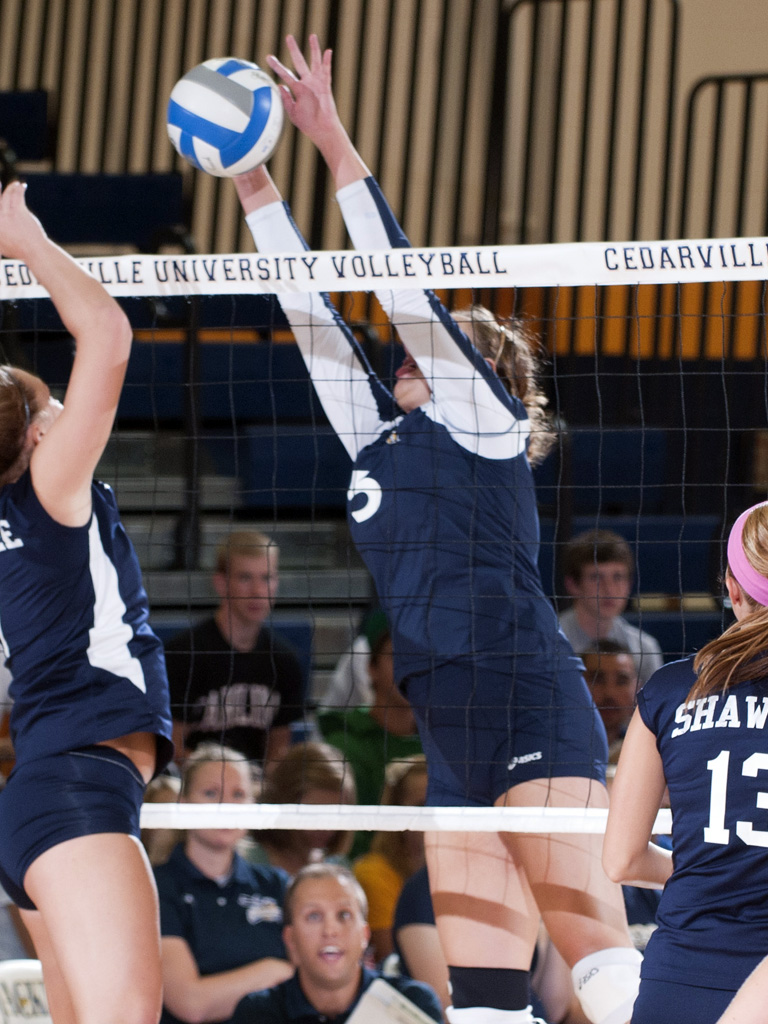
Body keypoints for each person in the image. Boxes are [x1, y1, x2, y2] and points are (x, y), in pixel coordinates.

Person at [228, 35, 638, 1024]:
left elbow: (402, 290)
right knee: (486, 998)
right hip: (446, 726)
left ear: (487, 374)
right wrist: (251, 181)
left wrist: (332, 143)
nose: (418, 347)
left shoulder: (490, 428)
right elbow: (310, 313)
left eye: (450, 341)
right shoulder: (379, 442)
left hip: (528, 698)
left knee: (599, 961)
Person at [0, 180, 174, 1024]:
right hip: (74, 786)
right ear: (37, 435)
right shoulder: (50, 487)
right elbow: (106, 333)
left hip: (49, 787)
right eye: (51, 405)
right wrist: (27, 239)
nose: (69, 415)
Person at [603, 500, 768, 1024]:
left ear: (731, 588)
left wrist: (711, 869)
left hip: (681, 973)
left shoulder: (671, 690)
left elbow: (621, 860)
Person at [154, 743, 294, 1024]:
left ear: (253, 805)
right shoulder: (157, 886)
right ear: (184, 804)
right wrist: (275, 971)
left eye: (238, 794)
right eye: (210, 793)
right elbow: (191, 1004)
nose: (225, 806)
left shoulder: (275, 885)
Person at [231, 862, 443, 1024]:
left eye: (344, 915)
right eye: (313, 916)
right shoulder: (257, 1013)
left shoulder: (413, 1002)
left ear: (364, 934)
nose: (330, 931)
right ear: (290, 938)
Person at [164, 529, 305, 770]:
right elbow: (171, 747)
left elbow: (278, 754)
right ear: (221, 583)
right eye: (245, 578)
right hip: (192, 790)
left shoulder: (284, 661)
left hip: (255, 795)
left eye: (266, 578)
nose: (258, 592)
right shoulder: (184, 655)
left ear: (277, 583)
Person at [318, 631, 423, 810]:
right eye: (396, 657)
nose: (408, 669)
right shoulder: (344, 745)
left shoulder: (444, 743)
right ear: (371, 668)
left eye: (417, 659)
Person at [559, 530, 663, 686]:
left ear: (630, 584)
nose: (609, 589)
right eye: (596, 577)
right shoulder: (548, 643)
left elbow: (655, 709)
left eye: (618, 577)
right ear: (572, 584)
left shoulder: (645, 648)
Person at [352, 756, 428, 963]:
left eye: (441, 803)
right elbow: (392, 958)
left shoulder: (461, 870)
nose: (434, 814)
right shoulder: (373, 872)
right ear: (398, 810)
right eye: (422, 805)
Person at [249, 741, 357, 875]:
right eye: (315, 813)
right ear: (285, 801)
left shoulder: (338, 867)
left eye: (336, 814)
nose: (326, 827)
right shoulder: (248, 862)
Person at [580, 640, 639, 755]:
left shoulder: (653, 750)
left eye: (621, 681)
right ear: (577, 685)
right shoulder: (553, 747)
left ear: (637, 688)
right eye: (597, 680)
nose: (609, 693)